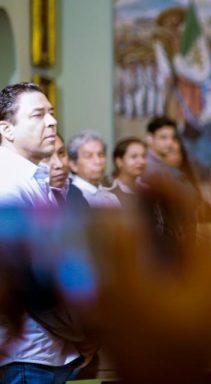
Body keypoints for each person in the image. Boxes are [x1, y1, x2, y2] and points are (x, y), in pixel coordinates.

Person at [0, 82, 88, 383]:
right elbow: (31, 275)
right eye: (38, 115)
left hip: (50, 349)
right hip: (26, 353)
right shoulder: (8, 183)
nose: (52, 121)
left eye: (51, 113)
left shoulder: (35, 177)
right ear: (7, 129)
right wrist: (81, 331)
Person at [67, 130, 121, 208]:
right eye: (88, 156)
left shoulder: (111, 198)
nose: (98, 161)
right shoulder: (69, 197)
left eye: (101, 154)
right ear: (73, 165)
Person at [44, 133, 89, 210]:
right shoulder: (24, 197)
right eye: (46, 156)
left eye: (61, 153)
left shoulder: (74, 193)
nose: (59, 164)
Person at [109, 137, 148, 206]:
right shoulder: (109, 194)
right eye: (134, 156)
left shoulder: (148, 189)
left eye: (143, 156)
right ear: (119, 161)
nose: (141, 161)